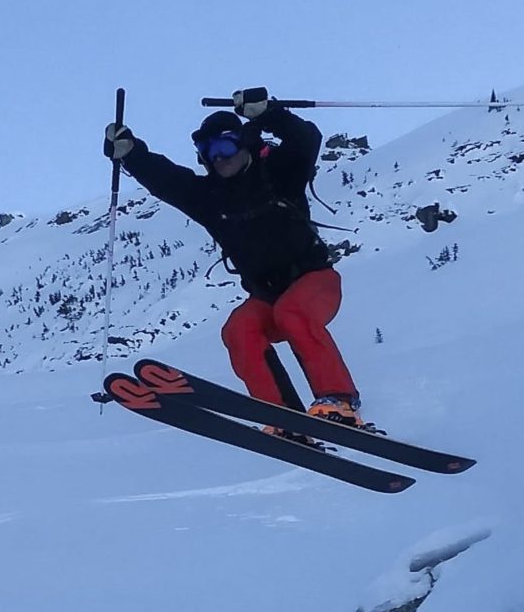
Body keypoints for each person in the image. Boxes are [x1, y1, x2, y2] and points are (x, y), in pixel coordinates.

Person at [104, 86, 367, 430]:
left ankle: (340, 400)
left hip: (314, 281)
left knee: (294, 313)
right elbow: (167, 180)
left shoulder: (279, 174)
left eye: (226, 145)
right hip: (267, 297)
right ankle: (281, 416)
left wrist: (266, 113)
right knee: (239, 329)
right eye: (207, 151)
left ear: (244, 143)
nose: (219, 156)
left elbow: (305, 139)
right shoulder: (210, 199)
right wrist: (131, 154)